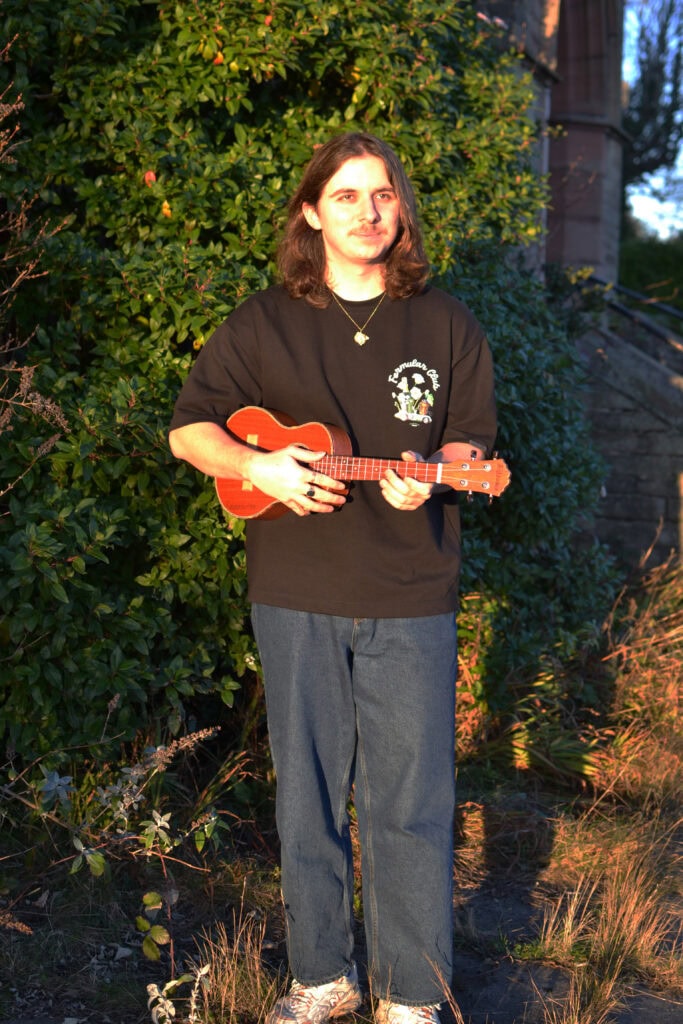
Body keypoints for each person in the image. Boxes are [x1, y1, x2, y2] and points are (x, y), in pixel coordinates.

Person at [169, 131, 497, 1024]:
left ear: (402, 210)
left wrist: (431, 473)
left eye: (382, 194)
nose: (367, 211)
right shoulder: (262, 321)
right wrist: (262, 467)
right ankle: (321, 976)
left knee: (411, 802)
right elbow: (190, 428)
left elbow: (470, 446)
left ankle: (409, 995)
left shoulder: (446, 324)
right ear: (311, 213)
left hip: (410, 594)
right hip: (294, 591)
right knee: (305, 796)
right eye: (346, 195)